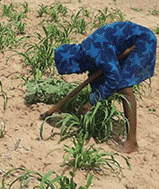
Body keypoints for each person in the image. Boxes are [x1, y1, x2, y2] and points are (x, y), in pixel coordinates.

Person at [54, 21, 157, 154]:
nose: (77, 73)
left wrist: (92, 102)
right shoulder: (87, 55)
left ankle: (132, 143)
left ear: (73, 61)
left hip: (142, 42)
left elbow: (114, 79)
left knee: (125, 88)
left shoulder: (93, 51)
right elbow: (97, 81)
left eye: (73, 70)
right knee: (107, 82)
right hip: (129, 42)